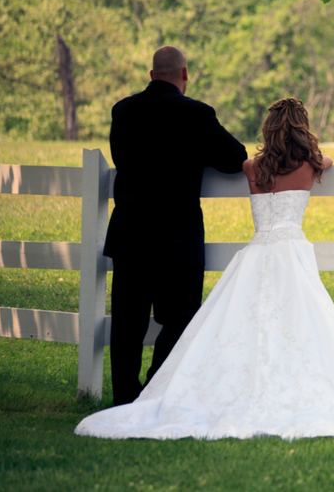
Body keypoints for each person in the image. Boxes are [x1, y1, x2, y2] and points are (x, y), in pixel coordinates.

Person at [75, 98, 334, 440]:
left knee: (244, 323)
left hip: (258, 253)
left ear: (268, 130)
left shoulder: (251, 168)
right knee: (303, 323)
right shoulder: (312, 165)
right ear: (302, 129)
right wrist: (308, 149)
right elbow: (329, 160)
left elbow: (240, 161)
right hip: (292, 253)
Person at [104, 46, 248, 406]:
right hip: (176, 236)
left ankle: (124, 396)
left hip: (130, 233)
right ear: (185, 74)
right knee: (181, 317)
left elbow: (121, 157)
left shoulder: (123, 111)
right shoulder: (196, 114)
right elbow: (235, 158)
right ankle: (155, 389)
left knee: (127, 322)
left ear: (152, 75)